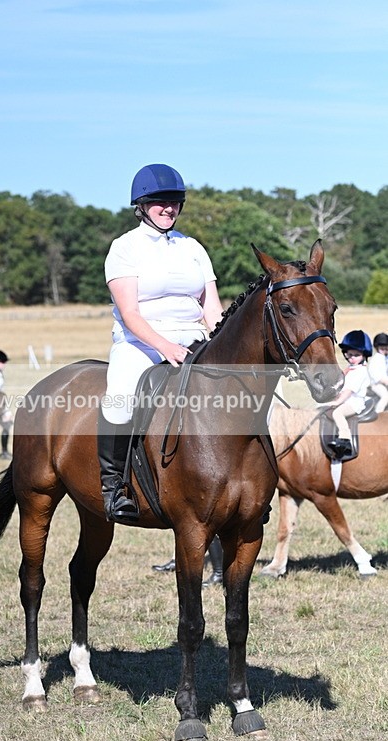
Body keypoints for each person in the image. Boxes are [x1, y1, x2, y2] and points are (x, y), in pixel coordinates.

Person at [98, 163, 224, 523]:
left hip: (194, 339)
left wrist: (220, 346)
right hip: (141, 342)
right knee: (120, 398)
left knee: (240, 391)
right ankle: (113, 487)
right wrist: (165, 347)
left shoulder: (193, 247)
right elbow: (131, 313)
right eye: (159, 202)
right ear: (141, 205)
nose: (168, 209)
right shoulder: (125, 248)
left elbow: (211, 308)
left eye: (174, 202)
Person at [326, 330, 372, 458]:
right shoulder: (351, 369)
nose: (352, 357)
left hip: (354, 402)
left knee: (337, 413)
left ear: (364, 355)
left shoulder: (360, 372)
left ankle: (345, 439)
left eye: (356, 355)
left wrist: (337, 402)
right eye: (349, 354)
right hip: (346, 399)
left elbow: (348, 391)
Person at [368, 332, 388, 413]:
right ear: (377, 348)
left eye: (386, 349)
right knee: (386, 396)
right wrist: (385, 381)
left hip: (385, 382)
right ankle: (378, 413)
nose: (385, 351)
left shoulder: (385, 358)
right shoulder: (376, 359)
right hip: (376, 384)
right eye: (382, 349)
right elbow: (375, 375)